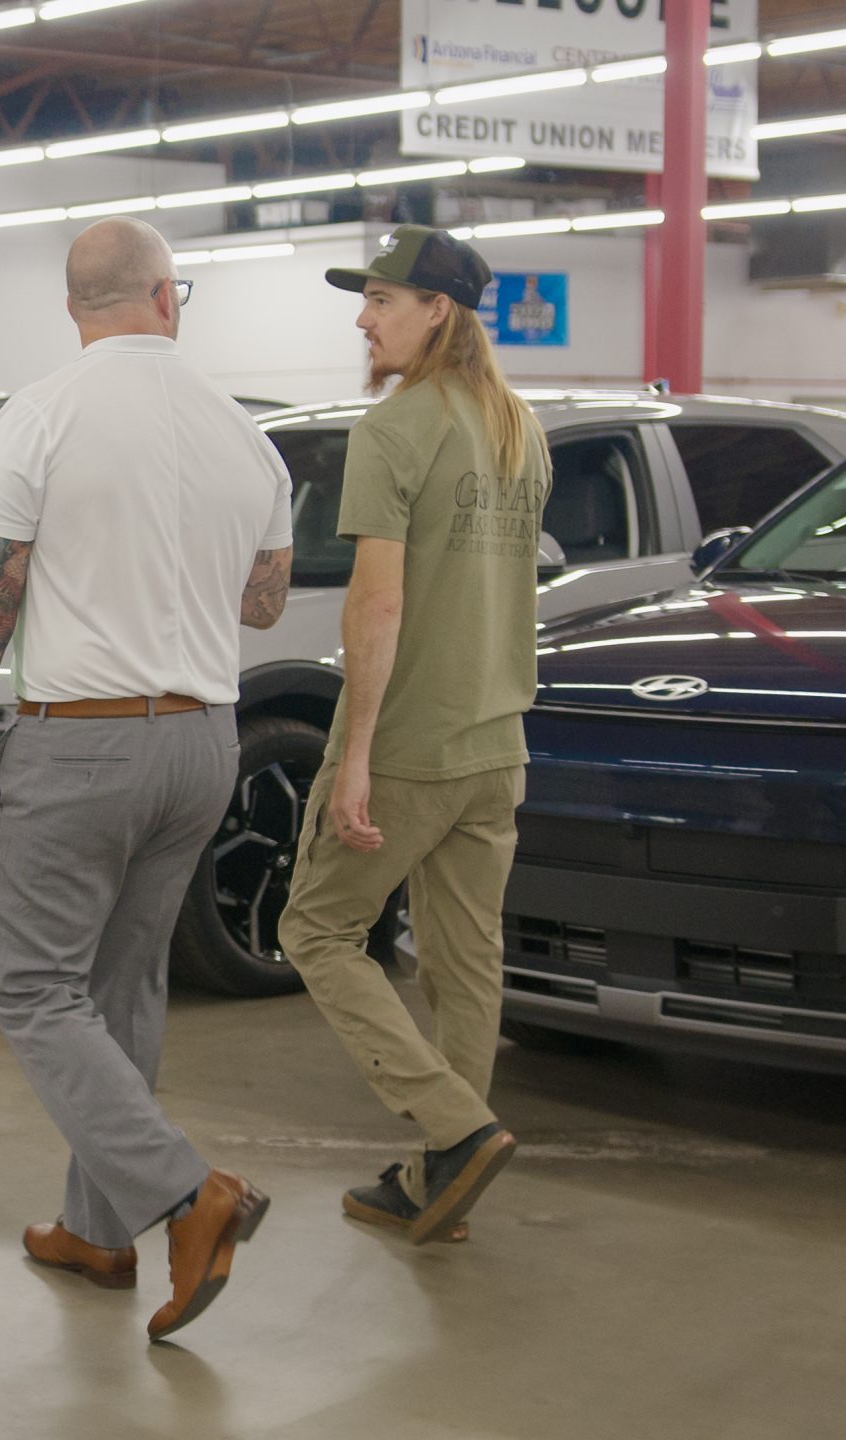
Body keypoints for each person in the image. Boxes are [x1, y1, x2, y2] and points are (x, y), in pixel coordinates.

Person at [0, 216, 295, 1341]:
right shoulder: (247, 435)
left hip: (83, 742)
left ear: (75, 308)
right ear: (170, 299)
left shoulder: (40, 414)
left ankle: (184, 1196)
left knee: (29, 985)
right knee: (121, 989)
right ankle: (96, 1231)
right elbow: (261, 602)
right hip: (202, 743)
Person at [277, 225, 551, 1246]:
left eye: (382, 298)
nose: (363, 316)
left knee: (313, 930)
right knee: (462, 962)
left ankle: (453, 1126)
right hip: (497, 741)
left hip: (412, 744)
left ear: (437, 311)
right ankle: (445, 1172)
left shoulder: (392, 432)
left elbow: (376, 609)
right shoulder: (519, 430)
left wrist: (351, 758)